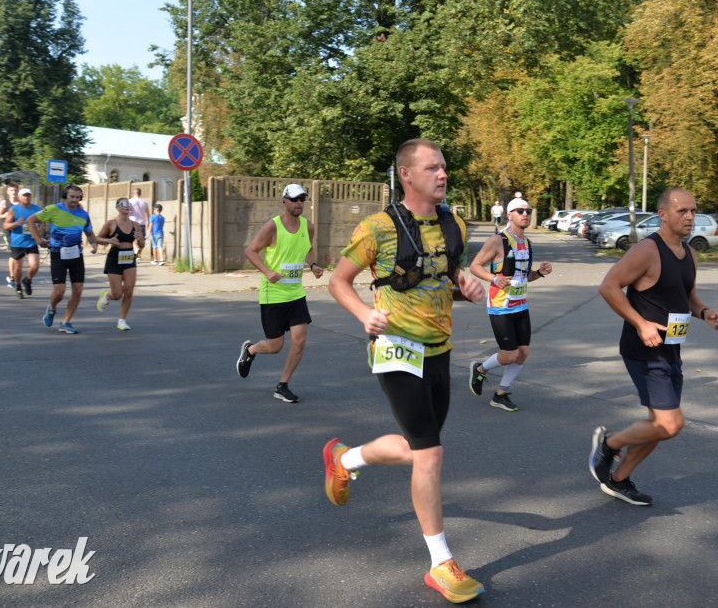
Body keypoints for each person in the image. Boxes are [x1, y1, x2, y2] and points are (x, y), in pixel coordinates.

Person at [326, 139, 487, 604]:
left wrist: (467, 286)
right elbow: (339, 280)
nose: (442, 174)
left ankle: (346, 459)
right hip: (395, 347)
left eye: (445, 167)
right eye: (433, 167)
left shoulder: (454, 223)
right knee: (431, 455)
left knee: (421, 451)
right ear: (406, 175)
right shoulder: (377, 227)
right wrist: (362, 313)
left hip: (439, 350)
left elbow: (445, 274)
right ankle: (441, 563)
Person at [589, 187, 718, 506]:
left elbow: (686, 294)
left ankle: (619, 480)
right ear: (663, 215)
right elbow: (608, 287)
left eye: (693, 210)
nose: (690, 216)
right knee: (670, 423)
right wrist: (641, 323)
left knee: (657, 426)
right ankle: (609, 445)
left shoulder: (689, 253)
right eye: (682, 211)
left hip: (671, 349)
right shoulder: (647, 251)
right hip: (644, 349)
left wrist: (705, 312)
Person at [235, 183, 323, 403]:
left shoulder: (308, 227)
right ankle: (251, 350)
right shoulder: (272, 227)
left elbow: (308, 249)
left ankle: (283, 386)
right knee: (275, 346)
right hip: (272, 294)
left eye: (302, 199)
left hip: (296, 294)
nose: (299, 203)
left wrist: (313, 265)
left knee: (300, 340)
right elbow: (250, 251)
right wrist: (267, 271)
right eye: (294, 199)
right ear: (284, 201)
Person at [467, 196, 552, 412]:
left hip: (521, 305)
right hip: (500, 305)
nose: (525, 214)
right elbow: (475, 266)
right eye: (520, 211)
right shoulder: (498, 241)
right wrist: (493, 278)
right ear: (509, 215)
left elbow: (525, 277)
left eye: (528, 211)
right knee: (509, 355)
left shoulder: (528, 243)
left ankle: (500, 394)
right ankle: (480, 369)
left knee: (523, 352)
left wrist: (540, 273)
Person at [29, 185, 100, 334]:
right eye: (72, 197)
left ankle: (66, 321)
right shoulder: (53, 209)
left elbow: (89, 234)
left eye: (77, 197)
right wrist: (39, 241)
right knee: (60, 291)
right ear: (65, 196)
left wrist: (94, 244)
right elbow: (31, 221)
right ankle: (52, 307)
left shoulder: (83, 214)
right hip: (57, 254)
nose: (74, 200)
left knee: (78, 289)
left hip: (76, 256)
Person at [95, 197, 145, 331]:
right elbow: (97, 238)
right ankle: (107, 295)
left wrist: (140, 240)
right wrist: (108, 240)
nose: (126, 206)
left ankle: (122, 320)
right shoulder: (110, 224)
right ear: (117, 207)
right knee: (117, 294)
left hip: (129, 257)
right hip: (114, 258)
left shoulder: (135, 225)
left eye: (128, 204)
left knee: (129, 290)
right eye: (123, 204)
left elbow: (142, 245)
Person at [2, 188, 42, 299]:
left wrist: (39, 229)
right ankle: (18, 286)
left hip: (31, 241)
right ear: (19, 197)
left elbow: (41, 223)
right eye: (24, 195)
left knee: (35, 266)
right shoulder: (14, 209)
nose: (27, 197)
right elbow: (5, 225)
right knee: (18, 268)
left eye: (29, 195)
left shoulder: (37, 209)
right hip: (18, 242)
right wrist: (16, 223)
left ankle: (27, 280)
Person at [128, 188, 150, 257]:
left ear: (133, 193)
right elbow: (148, 214)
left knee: (132, 238)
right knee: (141, 240)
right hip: (142, 223)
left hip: (132, 222)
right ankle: (139, 254)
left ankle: (136, 248)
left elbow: (128, 212)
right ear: (140, 194)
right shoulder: (145, 202)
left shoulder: (130, 201)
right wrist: (149, 224)